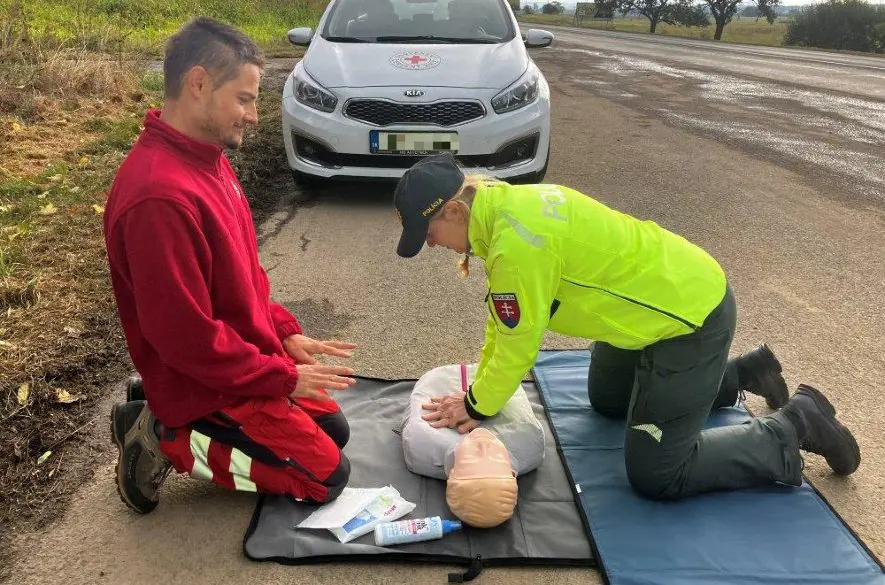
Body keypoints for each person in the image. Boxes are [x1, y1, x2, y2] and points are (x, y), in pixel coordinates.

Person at [394, 153, 861, 501]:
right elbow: (504, 319)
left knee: (658, 473)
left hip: (690, 321)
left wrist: (477, 404)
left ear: (454, 211)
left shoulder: (515, 247)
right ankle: (741, 374)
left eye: (429, 234)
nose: (432, 245)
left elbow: (518, 344)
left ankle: (795, 424)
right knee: (609, 401)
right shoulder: (504, 209)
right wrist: (479, 391)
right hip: (653, 310)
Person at [103, 17, 358, 514]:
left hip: (233, 362)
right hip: (202, 380)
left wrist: (282, 333)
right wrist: (280, 378)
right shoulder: (158, 197)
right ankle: (166, 431)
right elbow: (186, 339)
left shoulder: (206, 159)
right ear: (198, 84)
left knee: (335, 429)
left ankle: (155, 402)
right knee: (324, 478)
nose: (254, 116)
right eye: (244, 99)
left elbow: (240, 274)